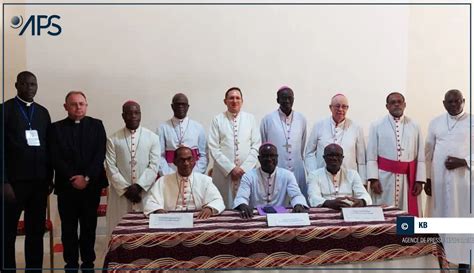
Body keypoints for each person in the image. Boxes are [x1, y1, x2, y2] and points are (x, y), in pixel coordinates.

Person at [49, 91, 107, 272]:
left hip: (91, 188)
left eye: (82, 103)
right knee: (68, 230)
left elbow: (99, 155)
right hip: (67, 188)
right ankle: (71, 265)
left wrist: (87, 178)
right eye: (73, 104)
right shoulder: (55, 128)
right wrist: (73, 178)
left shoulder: (97, 125)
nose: (78, 107)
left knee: (89, 228)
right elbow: (55, 157)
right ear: (66, 107)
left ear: (86, 105)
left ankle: (88, 264)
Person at [1, 71, 53, 273]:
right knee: (7, 234)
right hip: (12, 185)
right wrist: (3, 181)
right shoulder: (5, 110)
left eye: (34, 84)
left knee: (35, 233)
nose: (30, 88)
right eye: (26, 84)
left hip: (38, 185)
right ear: (17, 85)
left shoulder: (42, 112)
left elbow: (49, 148)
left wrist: (49, 178)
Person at [424, 90, 472, 272]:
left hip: (464, 183)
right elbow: (428, 152)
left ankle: (464, 265)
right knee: (440, 221)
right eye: (449, 102)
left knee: (463, 223)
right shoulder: (435, 122)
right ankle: (440, 265)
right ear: (444, 103)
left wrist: (462, 162)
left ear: (463, 101)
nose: (454, 105)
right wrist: (427, 178)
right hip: (439, 182)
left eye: (457, 101)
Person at [105, 101, 160, 235]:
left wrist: (139, 187)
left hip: (144, 193)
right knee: (119, 230)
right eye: (129, 113)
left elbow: (154, 166)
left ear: (140, 115)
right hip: (121, 196)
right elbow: (110, 167)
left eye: (136, 113)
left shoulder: (152, 137)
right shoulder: (113, 139)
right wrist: (126, 189)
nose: (133, 116)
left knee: (145, 232)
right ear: (123, 116)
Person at [366, 92, 425, 216]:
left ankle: (406, 235)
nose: (396, 104)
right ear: (387, 106)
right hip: (384, 177)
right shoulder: (376, 125)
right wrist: (373, 179)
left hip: (408, 179)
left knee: (406, 213)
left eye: (399, 102)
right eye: (393, 102)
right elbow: (371, 155)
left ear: (404, 104)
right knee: (383, 212)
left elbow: (421, 156)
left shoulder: (415, 125)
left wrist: (419, 180)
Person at [208, 87, 261, 208]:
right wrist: (231, 168)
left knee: (247, 206)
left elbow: (256, 145)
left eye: (238, 98)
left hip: (246, 173)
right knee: (224, 206)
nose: (234, 101)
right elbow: (214, 147)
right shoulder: (217, 120)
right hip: (224, 173)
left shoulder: (250, 119)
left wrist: (244, 168)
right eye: (231, 98)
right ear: (225, 101)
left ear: (242, 101)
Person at [143, 146, 225, 217]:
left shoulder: (205, 180)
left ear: (194, 161)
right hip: (171, 220)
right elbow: (151, 202)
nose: (186, 163)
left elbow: (218, 200)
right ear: (175, 162)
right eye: (182, 160)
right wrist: (158, 210)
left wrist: (209, 208)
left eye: (189, 159)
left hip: (198, 219)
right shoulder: (162, 181)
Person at [233, 143, 308, 219]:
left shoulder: (287, 175)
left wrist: (298, 204)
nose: (269, 159)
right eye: (265, 156)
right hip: (255, 216)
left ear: (277, 157)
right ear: (259, 158)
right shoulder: (249, 176)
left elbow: (296, 195)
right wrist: (243, 205)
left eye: (272, 156)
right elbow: (241, 197)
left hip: (281, 217)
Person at [304, 94, 367, 184]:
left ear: (347, 108)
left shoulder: (356, 128)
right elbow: (309, 153)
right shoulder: (319, 125)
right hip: (322, 178)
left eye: (344, 107)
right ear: (330, 107)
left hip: (348, 179)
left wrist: (362, 182)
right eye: (337, 106)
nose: (340, 109)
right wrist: (313, 174)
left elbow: (361, 160)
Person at [260, 86, 308, 196]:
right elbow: (264, 144)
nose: (286, 101)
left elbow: (302, 145)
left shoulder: (301, 119)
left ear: (293, 99)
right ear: (277, 100)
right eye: (283, 98)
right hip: (277, 168)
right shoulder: (268, 119)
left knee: (297, 200)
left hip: (297, 168)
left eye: (289, 98)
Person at [307, 144, 371, 210]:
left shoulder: (352, 174)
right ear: (324, 157)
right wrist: (330, 203)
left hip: (349, 211)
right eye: (330, 155)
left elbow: (366, 197)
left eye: (338, 155)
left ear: (342, 158)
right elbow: (313, 198)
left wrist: (361, 201)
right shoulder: (314, 175)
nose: (334, 158)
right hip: (325, 212)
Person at [157, 93, 208, 175]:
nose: (180, 107)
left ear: (188, 107)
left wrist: (194, 174)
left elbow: (203, 155)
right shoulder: (162, 128)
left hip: (193, 174)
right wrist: (169, 175)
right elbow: (159, 156)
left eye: (183, 104)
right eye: (178, 104)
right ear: (172, 106)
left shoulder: (198, 127)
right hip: (170, 173)